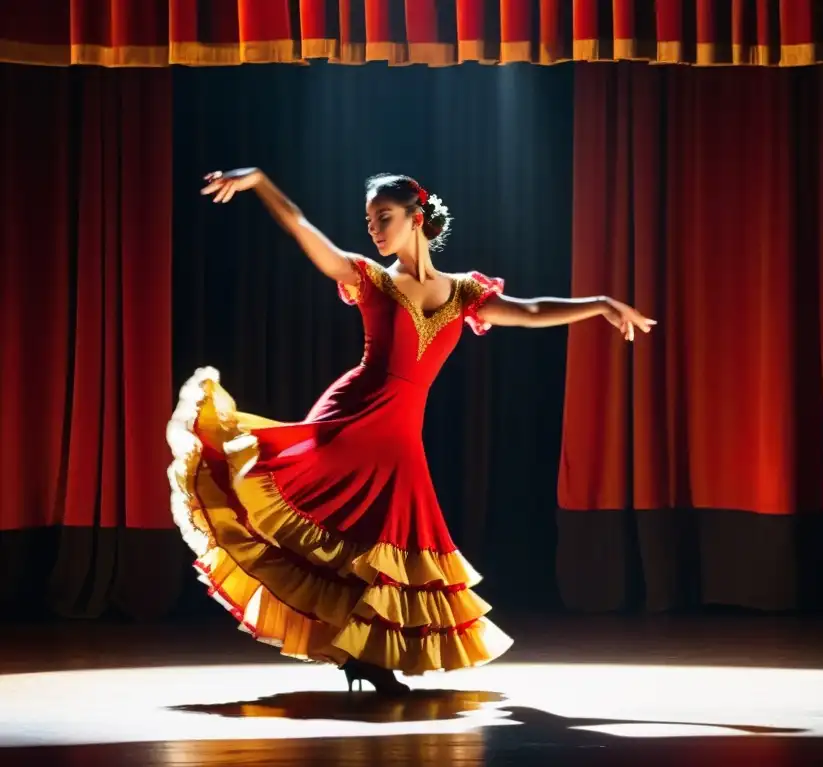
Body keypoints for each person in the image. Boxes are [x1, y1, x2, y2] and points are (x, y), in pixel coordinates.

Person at [167, 168, 655, 694]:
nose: (374, 229)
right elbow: (303, 228)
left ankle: (364, 655)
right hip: (352, 416)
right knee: (321, 521)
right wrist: (260, 182)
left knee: (391, 545)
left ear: (416, 218)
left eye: (385, 218)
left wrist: (599, 304)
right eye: (370, 220)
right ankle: (368, 661)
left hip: (402, 434)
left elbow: (532, 311)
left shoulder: (466, 291)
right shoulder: (369, 279)